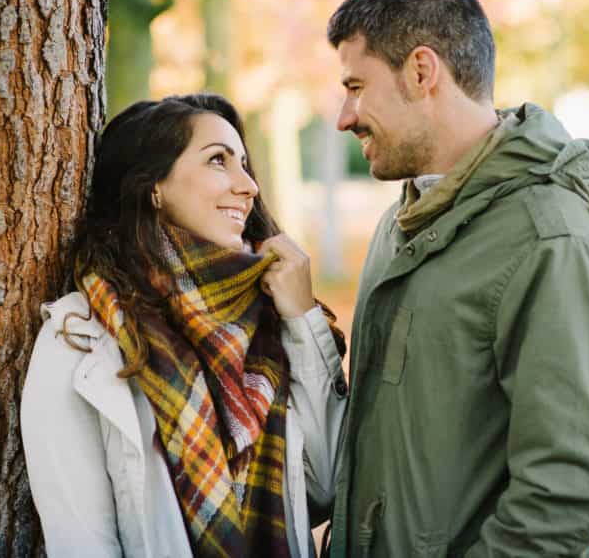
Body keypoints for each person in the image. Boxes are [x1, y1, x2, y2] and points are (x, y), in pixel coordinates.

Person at [325, 0, 589, 557]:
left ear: (420, 71)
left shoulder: (550, 236)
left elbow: (568, 490)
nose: (344, 117)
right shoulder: (401, 222)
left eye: (355, 87)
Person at [20, 94, 348, 558]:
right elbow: (82, 543)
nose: (249, 186)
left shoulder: (270, 322)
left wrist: (302, 319)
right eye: (219, 161)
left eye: (244, 164)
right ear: (155, 186)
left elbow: (327, 485)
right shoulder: (79, 340)